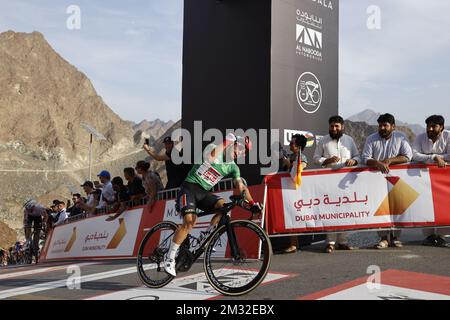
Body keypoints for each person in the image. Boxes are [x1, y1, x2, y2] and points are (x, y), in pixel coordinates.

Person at [163, 133, 263, 277]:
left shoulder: (233, 168)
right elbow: (210, 158)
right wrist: (225, 142)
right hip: (189, 188)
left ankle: (207, 233)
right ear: (232, 144)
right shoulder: (215, 148)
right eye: (240, 147)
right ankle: (169, 258)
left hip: (203, 193)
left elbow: (241, 187)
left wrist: (252, 203)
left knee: (223, 207)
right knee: (189, 222)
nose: (241, 152)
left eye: (244, 152)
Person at [361, 113, 413, 249]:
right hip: (377, 181)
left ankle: (395, 237)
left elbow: (408, 156)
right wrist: (378, 163)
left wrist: (390, 160)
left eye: (385, 125)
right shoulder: (371, 139)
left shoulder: (401, 137)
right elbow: (365, 158)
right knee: (380, 208)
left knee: (396, 207)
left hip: (396, 180)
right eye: (380, 125)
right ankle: (383, 238)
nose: (382, 128)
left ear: (393, 127)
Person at [313, 115, 360, 253]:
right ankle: (330, 242)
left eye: (336, 126)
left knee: (345, 211)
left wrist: (354, 161)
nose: (334, 128)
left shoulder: (349, 140)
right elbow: (315, 158)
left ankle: (343, 241)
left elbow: (357, 156)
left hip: (346, 182)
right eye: (331, 126)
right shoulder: (323, 140)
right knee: (331, 211)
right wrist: (327, 160)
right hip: (329, 182)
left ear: (342, 127)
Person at [412, 115, 450, 247]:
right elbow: (415, 155)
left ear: (442, 127)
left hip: (443, 180)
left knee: (444, 204)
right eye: (428, 126)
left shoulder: (448, 136)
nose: (430, 129)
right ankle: (428, 236)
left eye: (434, 126)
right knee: (425, 205)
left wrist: (430, 158)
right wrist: (434, 157)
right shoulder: (420, 137)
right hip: (423, 179)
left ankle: (441, 236)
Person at [280, 134, 308, 254]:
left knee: (293, 216)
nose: (290, 145)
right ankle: (294, 244)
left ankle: (293, 244)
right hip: (289, 190)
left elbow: (300, 169)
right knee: (291, 216)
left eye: (292, 143)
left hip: (298, 191)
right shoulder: (291, 156)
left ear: (298, 146)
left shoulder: (302, 157)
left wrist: (290, 164)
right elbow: (284, 170)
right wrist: (287, 162)